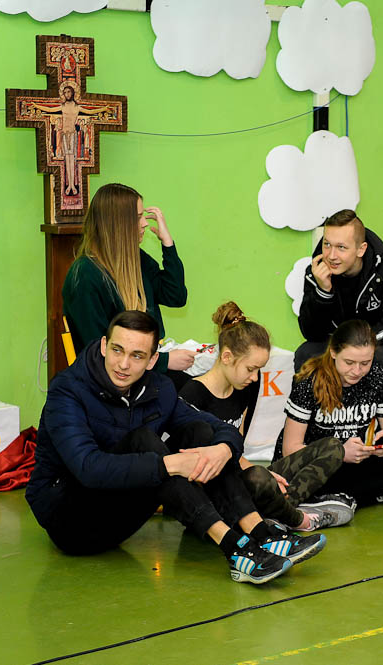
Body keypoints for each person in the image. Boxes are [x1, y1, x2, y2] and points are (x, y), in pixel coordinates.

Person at [26, 310, 325, 585]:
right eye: (117, 350)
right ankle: (234, 547)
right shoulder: (67, 390)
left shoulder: (159, 388)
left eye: (137, 355)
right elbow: (88, 468)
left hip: (120, 517)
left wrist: (222, 449)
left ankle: (260, 532)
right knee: (145, 442)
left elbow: (218, 429)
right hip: (70, 522)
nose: (124, 364)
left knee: (200, 432)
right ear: (104, 346)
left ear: (152, 360)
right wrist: (169, 465)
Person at [179, 302, 348, 532]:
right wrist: (259, 475)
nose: (256, 377)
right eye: (251, 369)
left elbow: (236, 448)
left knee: (333, 447)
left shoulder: (246, 386)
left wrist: (267, 474)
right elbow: (197, 467)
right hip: (215, 493)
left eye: (259, 370)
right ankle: (296, 518)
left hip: (241, 476)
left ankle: (277, 513)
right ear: (226, 357)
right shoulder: (192, 395)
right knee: (259, 477)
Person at [295, 209, 383, 417]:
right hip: (349, 343)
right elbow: (311, 332)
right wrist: (323, 292)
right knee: (306, 353)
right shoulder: (317, 271)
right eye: (327, 244)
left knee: (381, 359)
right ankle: (315, 428)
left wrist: (353, 349)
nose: (331, 255)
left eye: (341, 247)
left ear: (361, 249)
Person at [62, 183, 196, 389]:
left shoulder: (135, 259)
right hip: (110, 382)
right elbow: (97, 351)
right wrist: (164, 361)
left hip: (143, 369)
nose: (144, 224)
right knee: (193, 393)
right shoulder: (85, 276)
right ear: (118, 224)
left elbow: (175, 296)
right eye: (138, 217)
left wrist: (167, 243)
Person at [277, 319, 383, 509]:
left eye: (365, 363)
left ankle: (343, 497)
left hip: (355, 462)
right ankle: (378, 494)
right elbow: (290, 449)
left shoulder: (377, 376)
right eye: (349, 362)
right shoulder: (309, 382)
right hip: (313, 465)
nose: (357, 371)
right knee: (320, 478)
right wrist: (341, 453)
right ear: (333, 352)